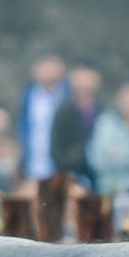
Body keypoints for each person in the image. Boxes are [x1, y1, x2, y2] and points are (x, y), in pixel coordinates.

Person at [46, 60, 101, 187]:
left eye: (88, 78)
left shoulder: (104, 110)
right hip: (72, 176)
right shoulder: (64, 110)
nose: (84, 83)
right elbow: (56, 150)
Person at [17, 53, 67, 182]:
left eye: (51, 70)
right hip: (33, 165)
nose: (48, 74)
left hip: (62, 167)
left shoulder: (69, 95)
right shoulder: (28, 95)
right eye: (44, 70)